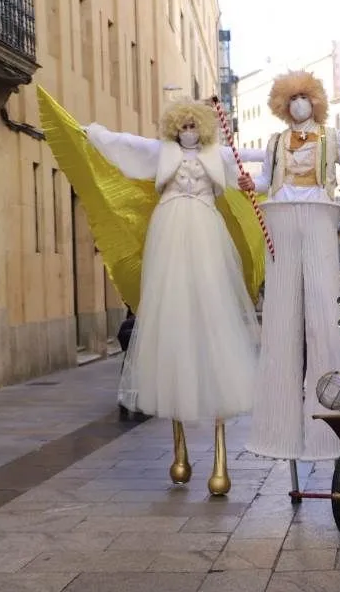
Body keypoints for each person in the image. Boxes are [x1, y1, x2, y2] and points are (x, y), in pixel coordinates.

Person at [83, 97, 261, 492]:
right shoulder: (160, 151)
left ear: (204, 127)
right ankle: (179, 453)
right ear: (173, 128)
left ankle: (217, 459)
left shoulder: (218, 155)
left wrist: (282, 153)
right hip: (169, 235)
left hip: (206, 233)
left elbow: (247, 158)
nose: (188, 133)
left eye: (193, 126)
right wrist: (95, 134)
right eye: (182, 127)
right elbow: (126, 144)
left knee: (214, 312)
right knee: (171, 315)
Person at [238, 70, 340, 471]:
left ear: (315, 101)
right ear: (283, 105)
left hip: (320, 216)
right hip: (282, 218)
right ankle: (278, 427)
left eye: (304, 98)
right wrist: (246, 184)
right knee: (281, 319)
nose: (299, 105)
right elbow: (266, 182)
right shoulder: (274, 143)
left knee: (325, 317)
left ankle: (331, 423)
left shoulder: (331, 138)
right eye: (292, 100)